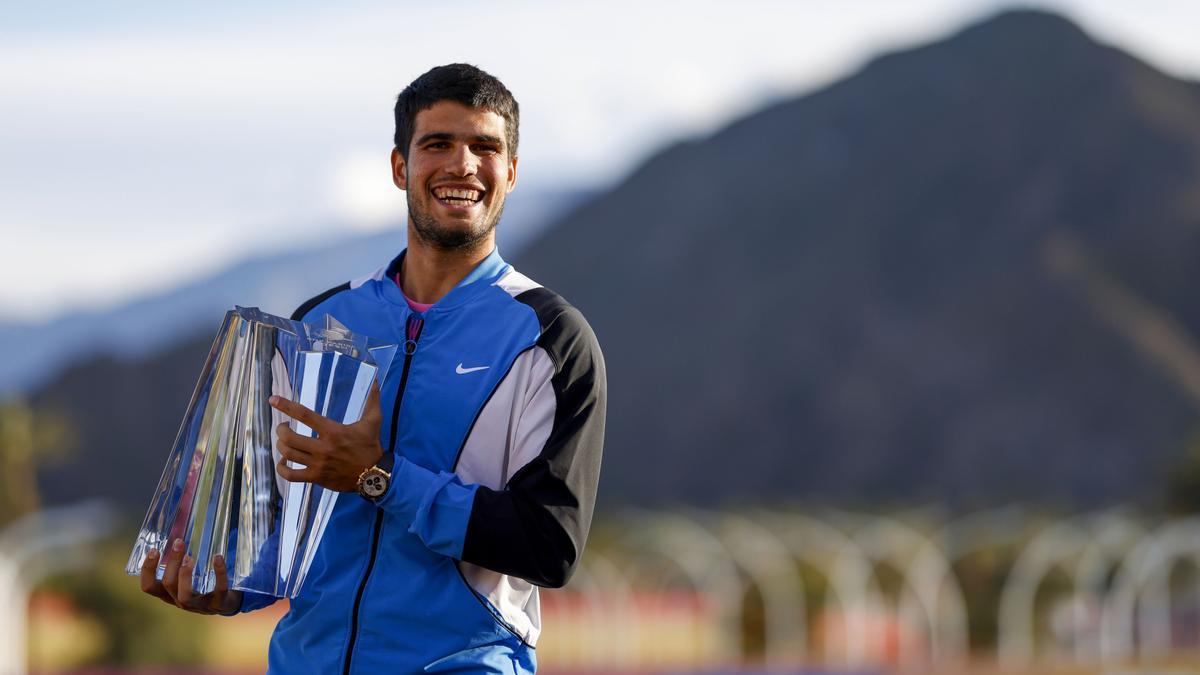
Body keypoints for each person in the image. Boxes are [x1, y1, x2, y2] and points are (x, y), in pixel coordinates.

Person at [139, 63, 607, 674]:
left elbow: (551, 546)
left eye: (485, 147)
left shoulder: (549, 337)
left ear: (511, 173)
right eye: (437, 143)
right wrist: (225, 588)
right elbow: (286, 528)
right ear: (399, 167)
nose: (462, 164)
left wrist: (379, 476)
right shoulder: (318, 321)